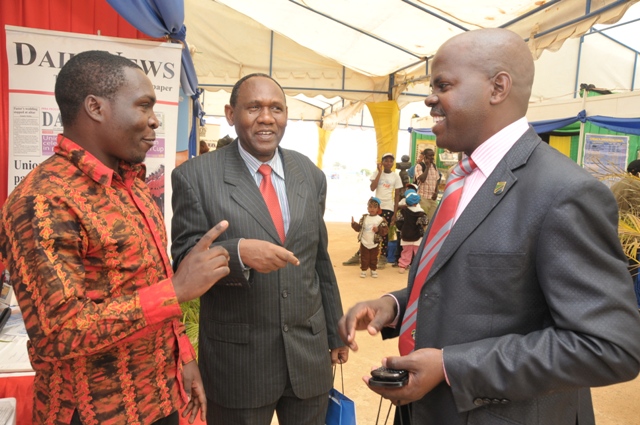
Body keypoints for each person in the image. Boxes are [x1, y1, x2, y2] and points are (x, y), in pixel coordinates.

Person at [338, 28, 640, 425]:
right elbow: (467, 286)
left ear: (498, 88)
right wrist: (394, 306)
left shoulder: (565, 192)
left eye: (443, 85)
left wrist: (451, 367)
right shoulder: (463, 179)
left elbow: (609, 346)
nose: (429, 99)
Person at [0, 51, 231, 425]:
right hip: (96, 413)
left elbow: (148, 282)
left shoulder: (132, 185)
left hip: (160, 395)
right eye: (143, 105)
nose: (154, 119)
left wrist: (184, 356)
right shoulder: (43, 200)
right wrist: (175, 290)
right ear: (95, 107)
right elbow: (59, 333)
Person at [170, 73, 348, 425]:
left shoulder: (310, 174)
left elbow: (319, 260)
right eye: (254, 108)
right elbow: (185, 259)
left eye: (276, 108)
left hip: (307, 357)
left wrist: (334, 331)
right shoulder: (195, 177)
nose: (266, 118)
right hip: (239, 364)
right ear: (231, 114)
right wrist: (237, 254)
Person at [369, 152, 403, 266]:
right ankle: (366, 254)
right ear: (382, 162)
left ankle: (383, 256)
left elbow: (397, 195)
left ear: (393, 163)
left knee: (384, 232)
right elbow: (372, 188)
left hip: (388, 207)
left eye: (391, 161)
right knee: (371, 230)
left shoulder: (395, 176)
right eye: (386, 161)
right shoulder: (377, 173)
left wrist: (395, 212)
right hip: (376, 207)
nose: (388, 163)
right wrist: (379, 172)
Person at [351, 197, 389, 279]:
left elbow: (385, 230)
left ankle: (373, 269)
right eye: (370, 207)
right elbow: (359, 228)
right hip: (364, 242)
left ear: (378, 209)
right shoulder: (364, 218)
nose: (372, 209)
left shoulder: (380, 219)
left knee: (374, 257)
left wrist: (378, 230)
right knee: (364, 257)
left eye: (375, 207)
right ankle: (364, 270)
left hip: (375, 243)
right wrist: (354, 224)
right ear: (367, 208)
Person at [395, 191, 427, 273]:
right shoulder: (421, 213)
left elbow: (398, 222)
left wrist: (402, 229)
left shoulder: (402, 211)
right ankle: (419, 267)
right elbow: (425, 223)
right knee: (418, 252)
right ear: (417, 203)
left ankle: (403, 266)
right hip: (418, 237)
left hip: (406, 235)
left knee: (406, 252)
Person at [414, 148, 441, 220]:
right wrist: (427, 167)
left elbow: (436, 180)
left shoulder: (434, 166)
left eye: (433, 155)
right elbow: (422, 179)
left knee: (432, 221)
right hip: (423, 198)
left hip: (432, 199)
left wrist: (436, 192)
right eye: (430, 155)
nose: (432, 157)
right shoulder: (419, 166)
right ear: (425, 156)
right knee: (422, 221)